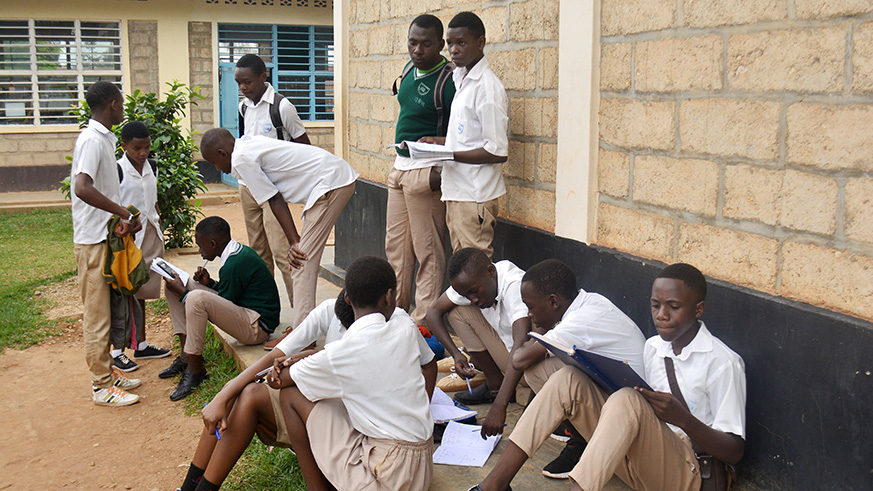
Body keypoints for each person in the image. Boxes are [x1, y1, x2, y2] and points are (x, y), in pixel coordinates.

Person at [470, 263, 746, 491]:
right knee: (568, 379)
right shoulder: (653, 347)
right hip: (643, 459)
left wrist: (683, 419)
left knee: (627, 399)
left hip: (691, 473)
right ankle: (494, 485)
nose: (661, 315)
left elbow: (734, 452)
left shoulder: (722, 362)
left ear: (698, 309)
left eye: (673, 306)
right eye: (655, 305)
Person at [175, 256, 436, 491]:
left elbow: (278, 379)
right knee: (246, 393)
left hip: (383, 461)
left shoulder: (339, 354)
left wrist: (302, 359)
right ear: (390, 296)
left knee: (269, 395)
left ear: (347, 297)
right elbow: (428, 363)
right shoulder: (402, 322)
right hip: (409, 455)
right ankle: (192, 487)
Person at [199, 128, 357, 329]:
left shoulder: (241, 159)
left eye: (214, 163)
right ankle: (302, 331)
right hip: (331, 180)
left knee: (300, 261)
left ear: (222, 153)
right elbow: (275, 198)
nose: (218, 169)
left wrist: (294, 242)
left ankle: (303, 336)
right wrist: (294, 240)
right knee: (301, 260)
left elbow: (274, 198)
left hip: (330, 184)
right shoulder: (245, 146)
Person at [510, 259, 646, 479]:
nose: (529, 314)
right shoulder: (590, 301)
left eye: (531, 307)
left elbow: (519, 360)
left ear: (553, 301)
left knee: (547, 374)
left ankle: (585, 443)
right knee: (541, 371)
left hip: (634, 423)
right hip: (623, 399)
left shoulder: (579, 322)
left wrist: (536, 335)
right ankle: (581, 439)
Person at [70, 81, 143, 407]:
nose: (123, 108)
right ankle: (101, 386)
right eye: (121, 103)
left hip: (106, 237)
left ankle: (108, 374)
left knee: (108, 312)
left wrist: (122, 218)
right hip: (93, 241)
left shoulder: (102, 139)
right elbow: (82, 187)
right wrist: (123, 212)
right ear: (113, 104)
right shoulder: (91, 140)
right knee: (97, 316)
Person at [419, 11, 509, 259]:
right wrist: (439, 143)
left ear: (480, 43)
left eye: (461, 43)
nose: (454, 50)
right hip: (457, 191)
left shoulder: (487, 88)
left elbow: (497, 150)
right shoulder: (461, 80)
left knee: (476, 267)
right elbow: (469, 137)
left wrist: (451, 154)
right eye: (450, 44)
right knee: (463, 266)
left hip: (474, 196)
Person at [161, 216, 281, 401]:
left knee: (194, 297)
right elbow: (229, 297)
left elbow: (222, 304)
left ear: (213, 244)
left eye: (200, 246)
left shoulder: (234, 263)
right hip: (246, 313)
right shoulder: (235, 254)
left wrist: (184, 294)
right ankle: (186, 355)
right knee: (173, 286)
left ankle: (195, 368)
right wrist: (210, 284)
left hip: (257, 328)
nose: (200, 251)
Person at [386, 14, 455, 327]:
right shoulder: (408, 69)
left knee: (428, 251)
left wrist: (440, 146)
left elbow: (466, 131)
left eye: (426, 44)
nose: (417, 49)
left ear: (440, 44)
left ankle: (423, 324)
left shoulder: (450, 80)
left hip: (426, 171)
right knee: (396, 251)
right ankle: (393, 315)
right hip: (399, 167)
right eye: (413, 42)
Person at [235, 53, 310, 314]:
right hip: (247, 186)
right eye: (239, 83)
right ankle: (264, 312)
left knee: (283, 252)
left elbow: (305, 148)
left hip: (273, 191)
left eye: (248, 82)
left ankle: (301, 316)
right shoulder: (244, 107)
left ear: (263, 77)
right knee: (258, 253)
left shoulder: (282, 107)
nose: (243, 88)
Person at [426, 248, 530, 436]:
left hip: (526, 366)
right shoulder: (477, 279)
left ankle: (502, 390)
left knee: (460, 311)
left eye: (474, 292)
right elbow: (433, 313)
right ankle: (494, 382)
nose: (473, 300)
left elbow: (521, 344)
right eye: (467, 295)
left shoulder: (514, 285)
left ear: (490, 271)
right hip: (510, 354)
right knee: (457, 311)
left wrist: (499, 406)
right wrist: (456, 354)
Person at [108, 121, 171, 372]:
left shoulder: (152, 167)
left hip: (150, 234)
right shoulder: (117, 170)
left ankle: (141, 344)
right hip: (128, 239)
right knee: (125, 293)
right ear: (124, 146)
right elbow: (110, 204)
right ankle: (117, 351)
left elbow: (152, 201)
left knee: (142, 292)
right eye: (137, 148)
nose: (143, 153)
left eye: (147, 147)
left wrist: (158, 220)